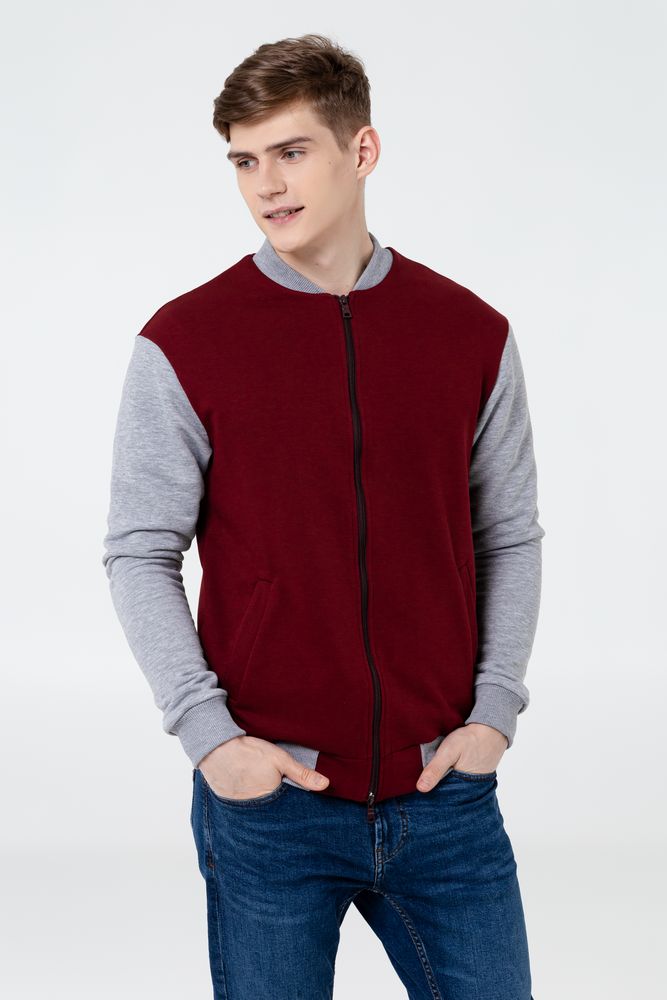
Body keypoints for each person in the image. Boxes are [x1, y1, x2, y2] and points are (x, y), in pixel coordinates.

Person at [102, 32, 544, 1000]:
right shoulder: (186, 341)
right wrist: (210, 737)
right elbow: (139, 551)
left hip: (443, 792)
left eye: (291, 151)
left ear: (361, 150)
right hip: (273, 801)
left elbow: (506, 534)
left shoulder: (469, 333)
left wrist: (492, 715)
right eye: (243, 161)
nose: (266, 184)